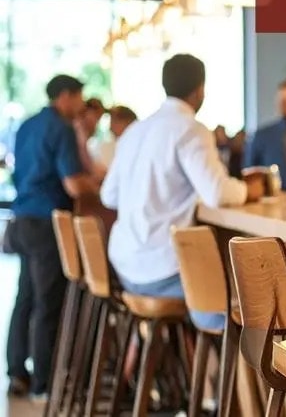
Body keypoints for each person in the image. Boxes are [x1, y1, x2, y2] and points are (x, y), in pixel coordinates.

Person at [100, 54, 264, 332]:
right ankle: (218, 358)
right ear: (200, 90)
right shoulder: (191, 129)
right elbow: (217, 192)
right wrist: (249, 189)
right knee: (247, 295)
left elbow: (109, 196)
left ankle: (183, 355)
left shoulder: (134, 131)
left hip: (124, 268)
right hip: (162, 271)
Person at [6, 75, 98, 402]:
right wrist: (98, 186)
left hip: (21, 220)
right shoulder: (60, 128)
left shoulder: (27, 125)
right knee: (48, 303)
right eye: (79, 98)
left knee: (25, 298)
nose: (80, 105)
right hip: (48, 223)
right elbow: (73, 184)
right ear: (65, 96)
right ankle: (42, 383)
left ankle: (17, 372)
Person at [89, 105, 137, 174]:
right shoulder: (108, 146)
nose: (110, 128)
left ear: (126, 121)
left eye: (114, 122)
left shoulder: (132, 145)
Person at [75, 98, 107, 180]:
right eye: (96, 117)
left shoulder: (85, 133)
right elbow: (86, 162)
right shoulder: (79, 127)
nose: (96, 123)